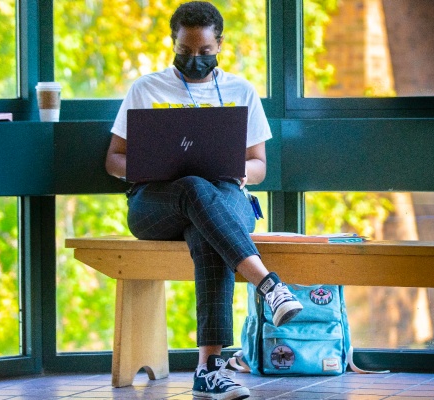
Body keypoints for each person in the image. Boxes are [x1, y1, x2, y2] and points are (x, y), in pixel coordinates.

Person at [105, 2, 303, 399]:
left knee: (205, 224)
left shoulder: (240, 91)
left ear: (220, 45)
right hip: (155, 203)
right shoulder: (146, 88)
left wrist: (241, 171)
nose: (194, 59)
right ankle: (268, 285)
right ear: (173, 43)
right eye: (185, 51)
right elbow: (113, 159)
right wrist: (146, 165)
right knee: (194, 187)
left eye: (204, 52)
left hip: (224, 199)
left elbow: (259, 164)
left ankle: (209, 370)